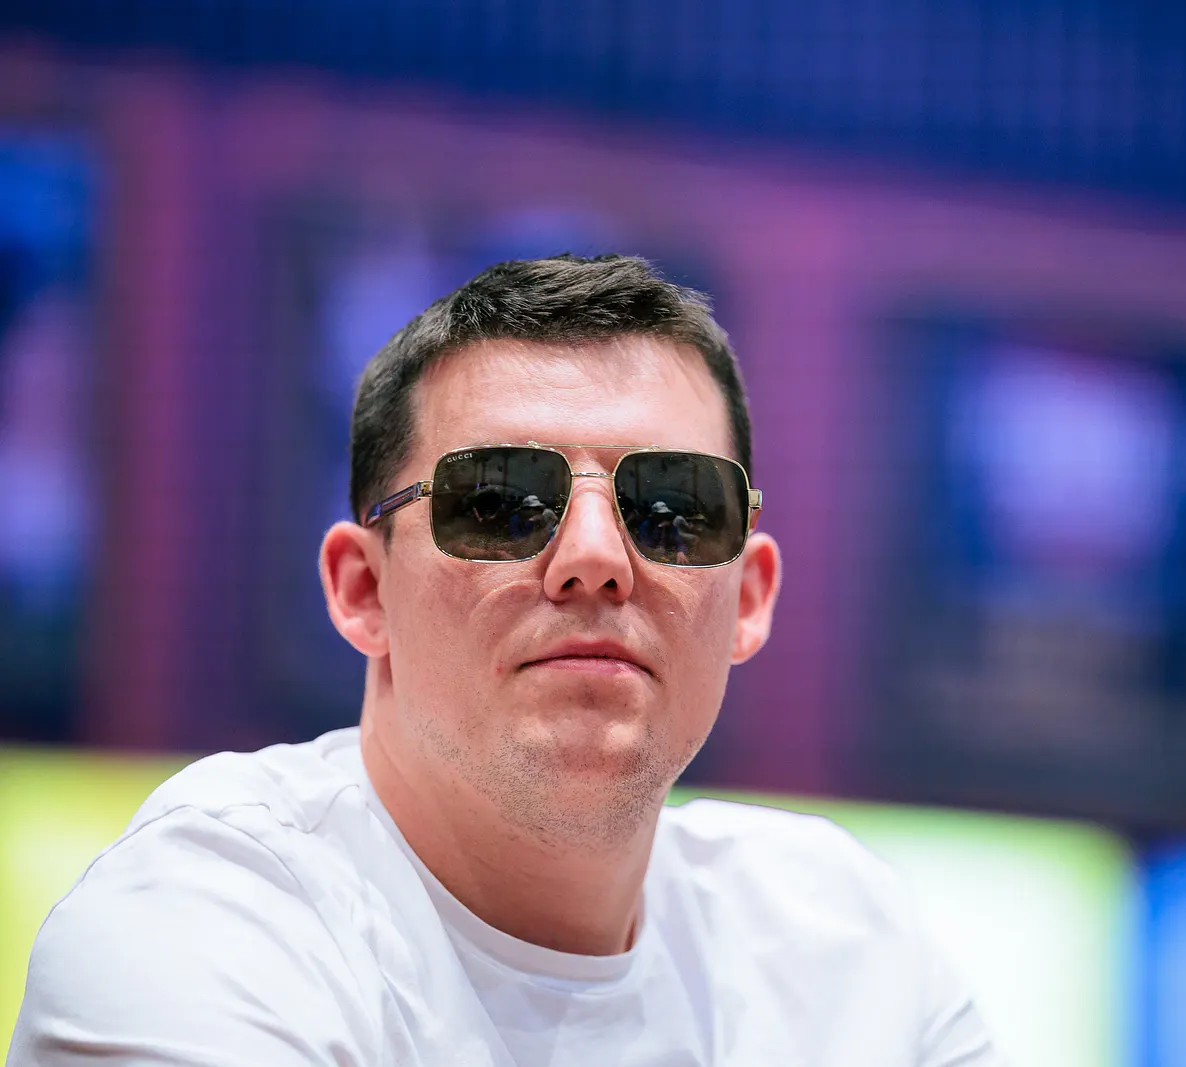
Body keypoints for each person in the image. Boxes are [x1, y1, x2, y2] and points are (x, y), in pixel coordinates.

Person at [7, 255, 1004, 1066]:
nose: (594, 558)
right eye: (498, 502)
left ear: (747, 599)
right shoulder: (204, 926)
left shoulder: (850, 950)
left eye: (672, 507)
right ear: (362, 589)